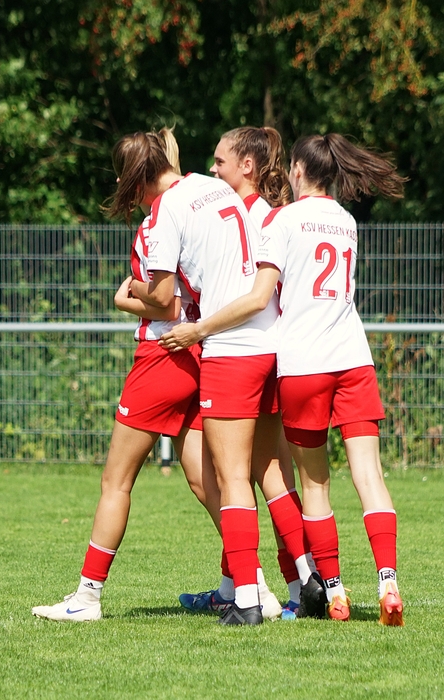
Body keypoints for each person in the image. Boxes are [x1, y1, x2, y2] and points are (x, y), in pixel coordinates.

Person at [160, 132, 406, 625]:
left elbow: (259, 296)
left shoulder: (281, 220)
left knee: (308, 484)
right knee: (368, 476)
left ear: (296, 170)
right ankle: (386, 582)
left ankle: (326, 590)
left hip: (299, 361)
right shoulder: (346, 220)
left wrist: (200, 328)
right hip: (352, 357)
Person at [32, 128, 219, 622]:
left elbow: (164, 302)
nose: (120, 185)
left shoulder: (159, 218)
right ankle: (249, 583)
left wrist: (127, 293)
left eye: (122, 175)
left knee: (116, 481)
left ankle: (87, 597)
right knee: (205, 481)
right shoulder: (205, 192)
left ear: (137, 175)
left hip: (162, 355)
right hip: (202, 350)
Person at [177, 127, 320, 621]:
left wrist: (199, 328)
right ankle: (304, 582)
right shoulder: (272, 215)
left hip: (235, 353)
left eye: (220, 162)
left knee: (231, 478)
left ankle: (245, 598)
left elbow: (250, 296)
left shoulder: (237, 217)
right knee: (272, 475)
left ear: (248, 167)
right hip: (273, 355)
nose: (212, 169)